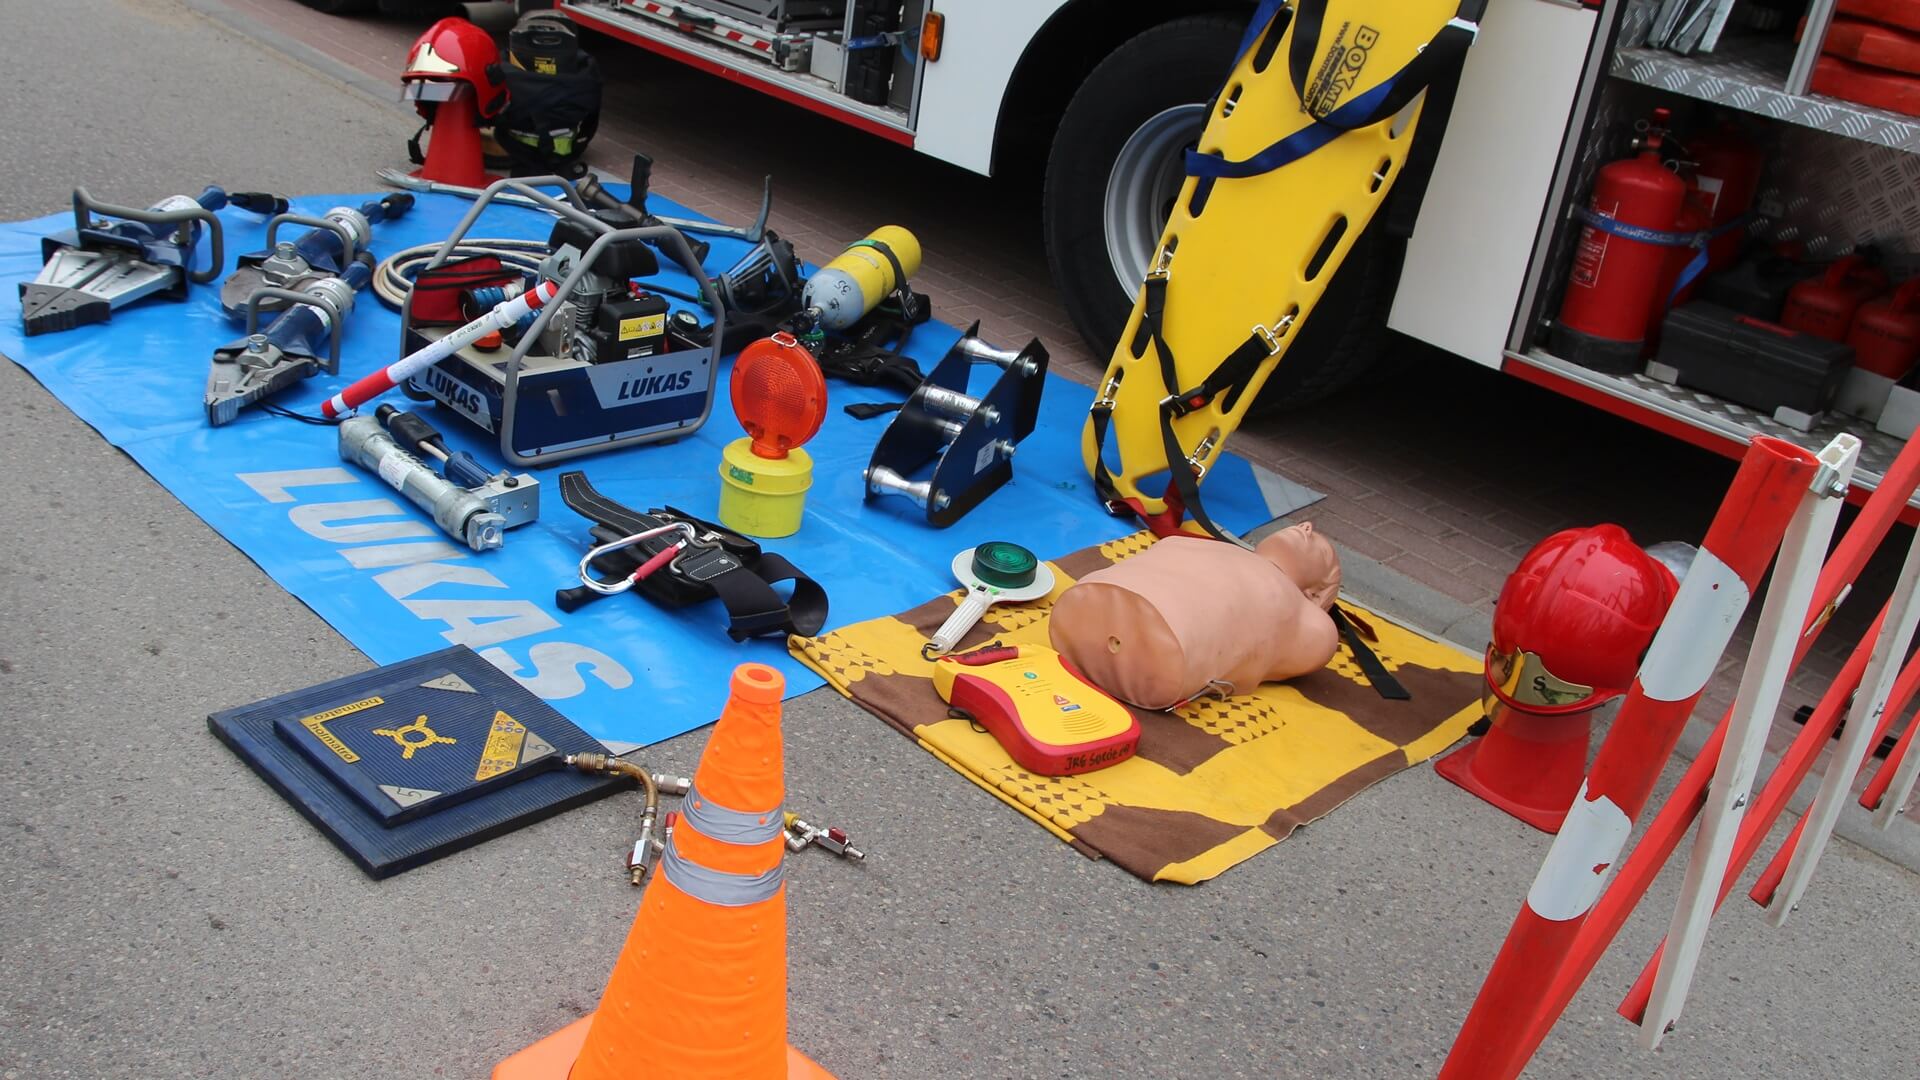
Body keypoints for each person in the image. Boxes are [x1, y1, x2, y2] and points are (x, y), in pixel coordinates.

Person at [1049, 523, 1342, 710]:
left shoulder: (1303, 614)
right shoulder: (1202, 544)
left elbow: (1315, 640)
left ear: (1314, 595)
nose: (1306, 527)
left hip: (1155, 632)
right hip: (1109, 605)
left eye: (1318, 547)